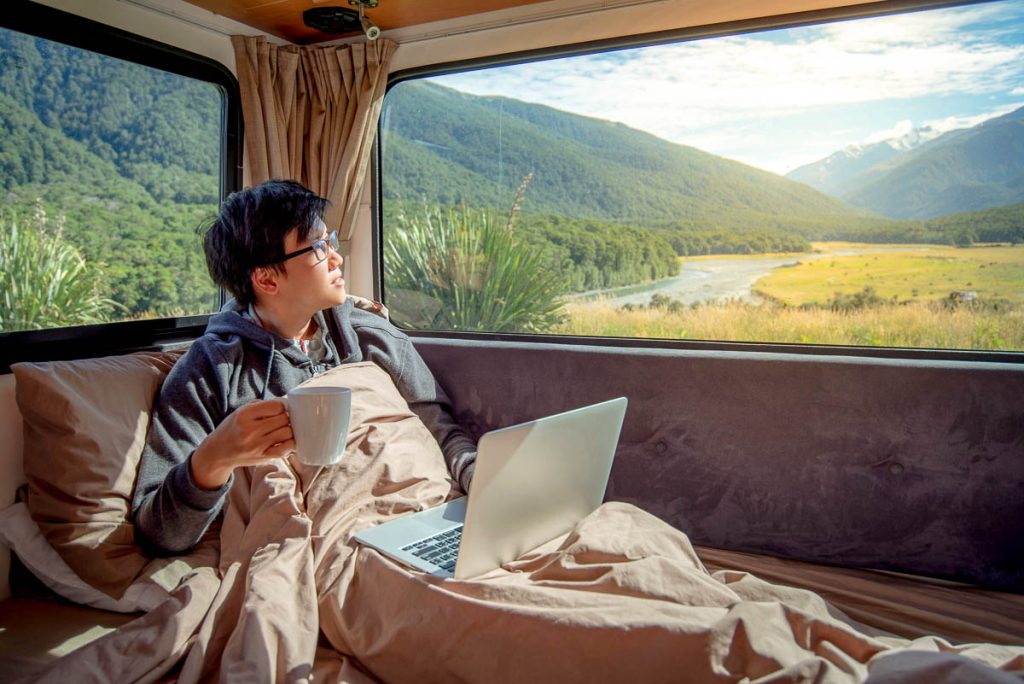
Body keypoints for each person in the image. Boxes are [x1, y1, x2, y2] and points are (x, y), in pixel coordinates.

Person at [132, 179, 477, 556]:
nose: (336, 257)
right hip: (336, 544)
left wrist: (485, 483)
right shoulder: (212, 369)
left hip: (435, 515)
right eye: (317, 247)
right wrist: (214, 459)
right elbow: (158, 532)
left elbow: (441, 433)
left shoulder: (369, 334)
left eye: (330, 240)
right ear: (266, 278)